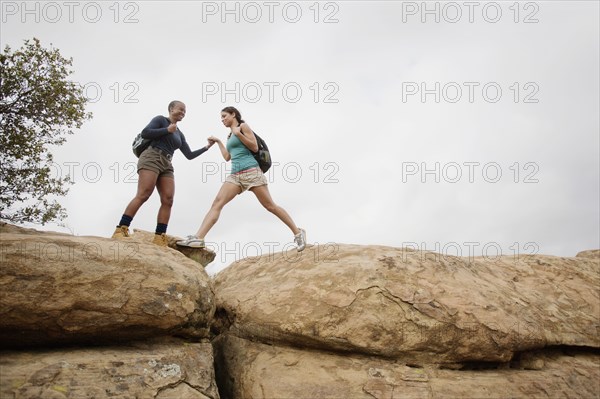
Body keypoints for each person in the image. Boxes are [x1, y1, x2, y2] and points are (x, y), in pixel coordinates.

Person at [176, 106, 306, 251]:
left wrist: (239, 134)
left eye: (225, 116)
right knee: (217, 203)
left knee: (270, 206)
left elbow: (255, 147)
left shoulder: (242, 127)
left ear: (233, 115)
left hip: (252, 172)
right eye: (221, 117)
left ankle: (298, 232)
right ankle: (199, 238)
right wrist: (218, 142)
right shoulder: (230, 135)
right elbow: (227, 157)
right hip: (235, 175)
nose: (222, 120)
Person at [111, 100, 214, 246]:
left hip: (167, 163)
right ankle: (121, 229)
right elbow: (146, 132)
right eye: (180, 109)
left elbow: (189, 155)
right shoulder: (160, 120)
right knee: (144, 193)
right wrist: (166, 130)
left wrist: (207, 147)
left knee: (168, 199)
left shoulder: (180, 133)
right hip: (152, 157)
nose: (183, 113)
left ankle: (159, 237)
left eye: (185, 111)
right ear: (171, 109)